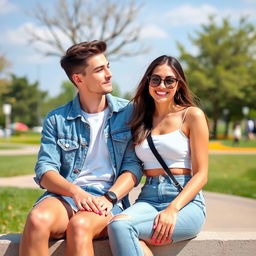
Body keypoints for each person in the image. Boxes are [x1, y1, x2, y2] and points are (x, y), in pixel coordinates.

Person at [19, 40, 142, 256]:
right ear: (79, 79)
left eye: (108, 66)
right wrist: (76, 192)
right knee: (37, 219)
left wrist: (109, 198)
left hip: (107, 199)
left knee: (80, 225)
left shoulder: (128, 113)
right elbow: (45, 171)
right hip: (66, 196)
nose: (109, 74)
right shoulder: (57, 119)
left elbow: (133, 168)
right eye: (99, 69)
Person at [108, 55, 209, 256]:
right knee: (116, 225)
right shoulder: (139, 118)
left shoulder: (191, 115)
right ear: (148, 82)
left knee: (125, 228)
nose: (161, 85)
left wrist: (173, 209)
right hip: (148, 198)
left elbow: (202, 174)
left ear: (179, 84)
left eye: (169, 80)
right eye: (155, 79)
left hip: (185, 202)